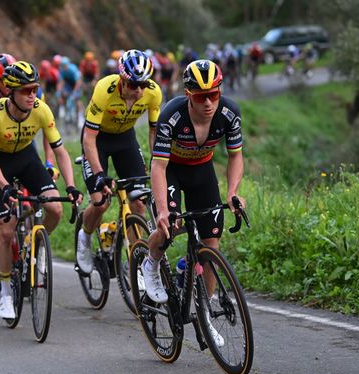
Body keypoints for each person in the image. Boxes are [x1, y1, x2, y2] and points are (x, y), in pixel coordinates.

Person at [141, 60, 245, 347]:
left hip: (202, 170)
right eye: (202, 96)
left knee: (212, 242)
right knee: (168, 228)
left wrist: (232, 193)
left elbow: (235, 156)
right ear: (188, 95)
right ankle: (152, 262)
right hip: (171, 169)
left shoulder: (229, 112)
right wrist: (163, 209)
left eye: (215, 94)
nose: (209, 102)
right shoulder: (171, 116)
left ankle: (204, 314)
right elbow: (158, 167)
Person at [0, 61, 82, 319]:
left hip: (27, 159)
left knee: (55, 209)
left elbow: (60, 150)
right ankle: (5, 292)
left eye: (34, 89)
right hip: (1, 163)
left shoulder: (42, 110)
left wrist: (70, 186)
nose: (32, 95)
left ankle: (35, 244)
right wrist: (4, 187)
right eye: (26, 90)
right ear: (10, 92)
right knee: (6, 230)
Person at [75, 49, 162, 274]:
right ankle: (84, 237)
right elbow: (89, 139)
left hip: (125, 139)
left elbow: (154, 134)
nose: (140, 91)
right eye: (134, 85)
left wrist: (158, 163)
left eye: (144, 84)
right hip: (98, 139)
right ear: (122, 80)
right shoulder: (104, 89)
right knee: (101, 201)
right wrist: (99, 174)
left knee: (139, 203)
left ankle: (136, 262)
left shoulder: (153, 93)